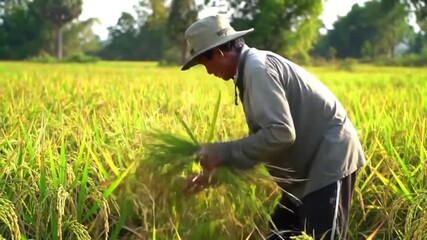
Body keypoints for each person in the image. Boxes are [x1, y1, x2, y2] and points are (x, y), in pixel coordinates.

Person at [181, 15, 366, 240]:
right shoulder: (248, 71)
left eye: (205, 64)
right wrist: (210, 177)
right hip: (303, 173)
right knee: (278, 233)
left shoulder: (257, 70)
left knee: (323, 236)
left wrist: (222, 151)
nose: (209, 72)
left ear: (218, 53)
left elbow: (280, 134)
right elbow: (262, 144)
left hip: (329, 161)